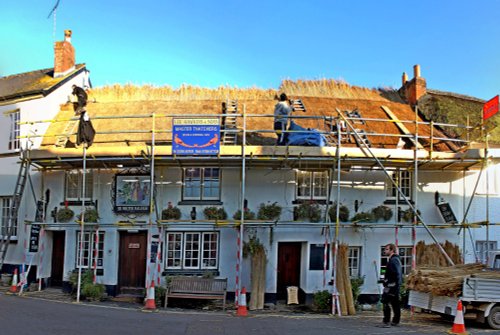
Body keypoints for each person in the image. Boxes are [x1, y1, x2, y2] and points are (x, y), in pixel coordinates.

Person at [380, 243, 403, 327]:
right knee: (395, 303)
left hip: (392, 286)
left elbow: (396, 273)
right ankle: (395, 321)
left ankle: (387, 321)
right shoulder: (394, 260)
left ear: (391, 250)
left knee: (385, 301)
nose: (384, 251)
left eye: (386, 249)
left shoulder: (394, 260)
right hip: (393, 285)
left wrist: (388, 282)